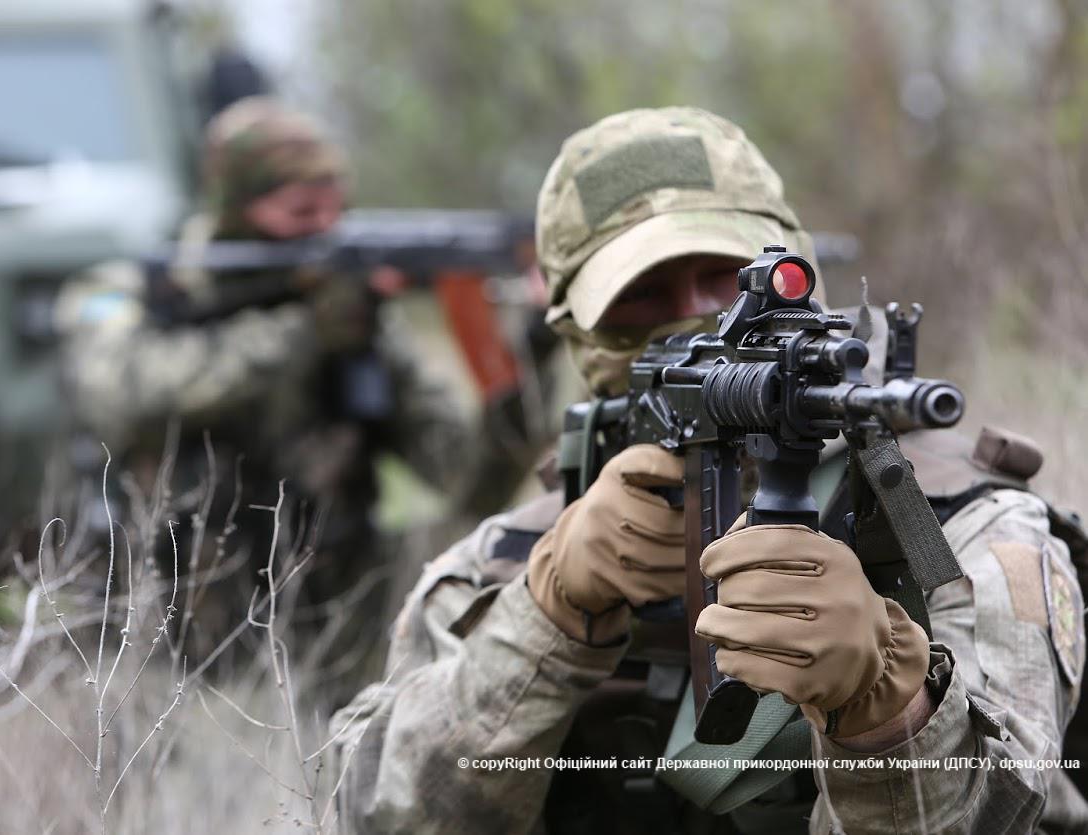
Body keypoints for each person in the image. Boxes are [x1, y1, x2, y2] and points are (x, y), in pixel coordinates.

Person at [329, 107, 1088, 833]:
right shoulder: (511, 560)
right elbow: (378, 814)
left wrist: (892, 707)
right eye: (643, 296)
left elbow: (1018, 810)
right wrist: (548, 617)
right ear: (574, 332)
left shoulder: (965, 530)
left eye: (728, 278)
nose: (701, 319)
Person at [55, 97, 503, 691]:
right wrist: (301, 335)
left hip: (333, 631)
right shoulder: (138, 289)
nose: (324, 228)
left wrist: (516, 361)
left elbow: (464, 470)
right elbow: (123, 393)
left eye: (334, 208)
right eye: (300, 211)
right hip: (167, 632)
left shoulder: (350, 316)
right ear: (234, 206)